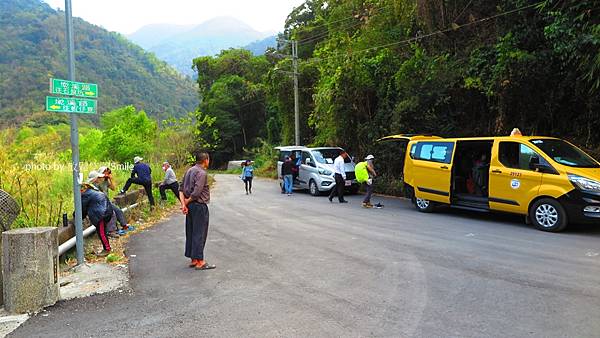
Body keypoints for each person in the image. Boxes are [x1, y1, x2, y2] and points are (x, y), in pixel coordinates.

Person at [179, 152, 216, 271]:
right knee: (200, 232)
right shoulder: (202, 173)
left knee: (191, 231)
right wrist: (188, 202)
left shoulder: (189, 171)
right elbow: (196, 192)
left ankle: (193, 259)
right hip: (199, 206)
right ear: (206, 160)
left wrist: (184, 204)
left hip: (190, 207)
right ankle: (200, 261)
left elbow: (180, 188)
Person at [93, 168, 134, 235]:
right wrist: (102, 178)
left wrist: (110, 179)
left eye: (108, 173)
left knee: (118, 210)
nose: (107, 174)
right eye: (105, 173)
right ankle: (112, 231)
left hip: (107, 201)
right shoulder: (97, 181)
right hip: (101, 202)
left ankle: (124, 226)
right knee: (112, 213)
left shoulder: (106, 181)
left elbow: (113, 188)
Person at [80, 181, 113, 257]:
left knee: (101, 232)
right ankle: (106, 247)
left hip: (101, 214)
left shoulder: (85, 195)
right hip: (106, 211)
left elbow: (82, 209)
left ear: (82, 190)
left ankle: (107, 249)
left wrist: (76, 217)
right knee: (102, 231)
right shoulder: (93, 192)